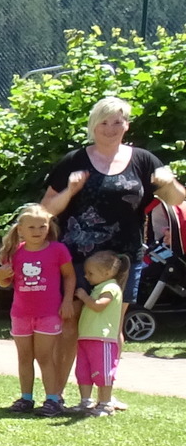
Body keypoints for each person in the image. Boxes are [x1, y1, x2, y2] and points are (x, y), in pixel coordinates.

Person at [42, 96, 186, 322]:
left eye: (117, 122)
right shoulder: (74, 160)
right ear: (93, 126)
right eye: (104, 123)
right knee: (71, 325)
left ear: (127, 125)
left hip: (124, 259)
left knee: (112, 326)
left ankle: (109, 360)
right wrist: (69, 191)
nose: (111, 129)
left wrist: (170, 183)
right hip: (78, 258)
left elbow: (177, 200)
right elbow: (46, 210)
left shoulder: (143, 160)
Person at [0, 203, 74, 415]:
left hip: (49, 313)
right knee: (24, 357)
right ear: (20, 230)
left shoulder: (58, 250)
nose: (38, 231)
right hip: (20, 314)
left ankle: (53, 399)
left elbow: (69, 276)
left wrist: (67, 301)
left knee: (45, 357)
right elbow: (3, 281)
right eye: (32, 228)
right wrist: (1, 275)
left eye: (42, 226)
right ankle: (26, 398)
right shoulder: (14, 253)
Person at [74, 251, 128, 415]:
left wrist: (83, 297)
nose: (86, 276)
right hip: (87, 337)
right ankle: (86, 401)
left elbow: (99, 305)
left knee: (103, 372)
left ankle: (105, 403)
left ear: (107, 273)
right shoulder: (98, 287)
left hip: (102, 339)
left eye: (90, 273)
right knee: (83, 371)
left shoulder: (111, 287)